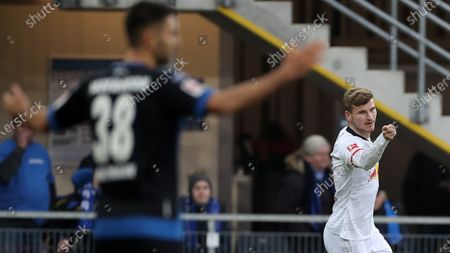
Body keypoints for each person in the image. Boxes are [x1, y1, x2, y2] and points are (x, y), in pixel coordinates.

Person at [1, 2, 324, 252]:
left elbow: (42, 122)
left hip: (108, 228)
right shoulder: (162, 82)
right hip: (156, 225)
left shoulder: (94, 83)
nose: (178, 41)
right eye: (173, 33)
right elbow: (223, 103)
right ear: (149, 37)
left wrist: (22, 109)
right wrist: (283, 75)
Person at [323, 88, 397, 253]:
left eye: (372, 110)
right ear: (348, 116)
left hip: (367, 230)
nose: (370, 117)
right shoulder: (346, 143)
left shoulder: (365, 138)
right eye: (362, 112)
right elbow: (364, 161)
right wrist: (384, 139)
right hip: (346, 233)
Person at [276, 134, 334, 253]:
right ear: (307, 157)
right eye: (320, 154)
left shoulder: (334, 178)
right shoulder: (295, 179)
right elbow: (285, 209)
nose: (325, 158)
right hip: (302, 240)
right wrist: (303, 233)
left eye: (327, 154)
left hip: (328, 237)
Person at [0, 125, 55, 228]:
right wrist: (20, 148)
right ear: (14, 127)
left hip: (38, 220)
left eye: (29, 126)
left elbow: (51, 185)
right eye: (22, 126)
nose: (26, 130)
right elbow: (3, 175)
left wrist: (49, 215)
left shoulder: (41, 151)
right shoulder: (3, 149)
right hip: (9, 220)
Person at [179, 172, 227, 253]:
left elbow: (225, 240)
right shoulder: (183, 207)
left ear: (210, 190)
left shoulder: (219, 208)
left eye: (205, 188)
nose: (201, 192)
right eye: (197, 188)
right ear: (191, 191)